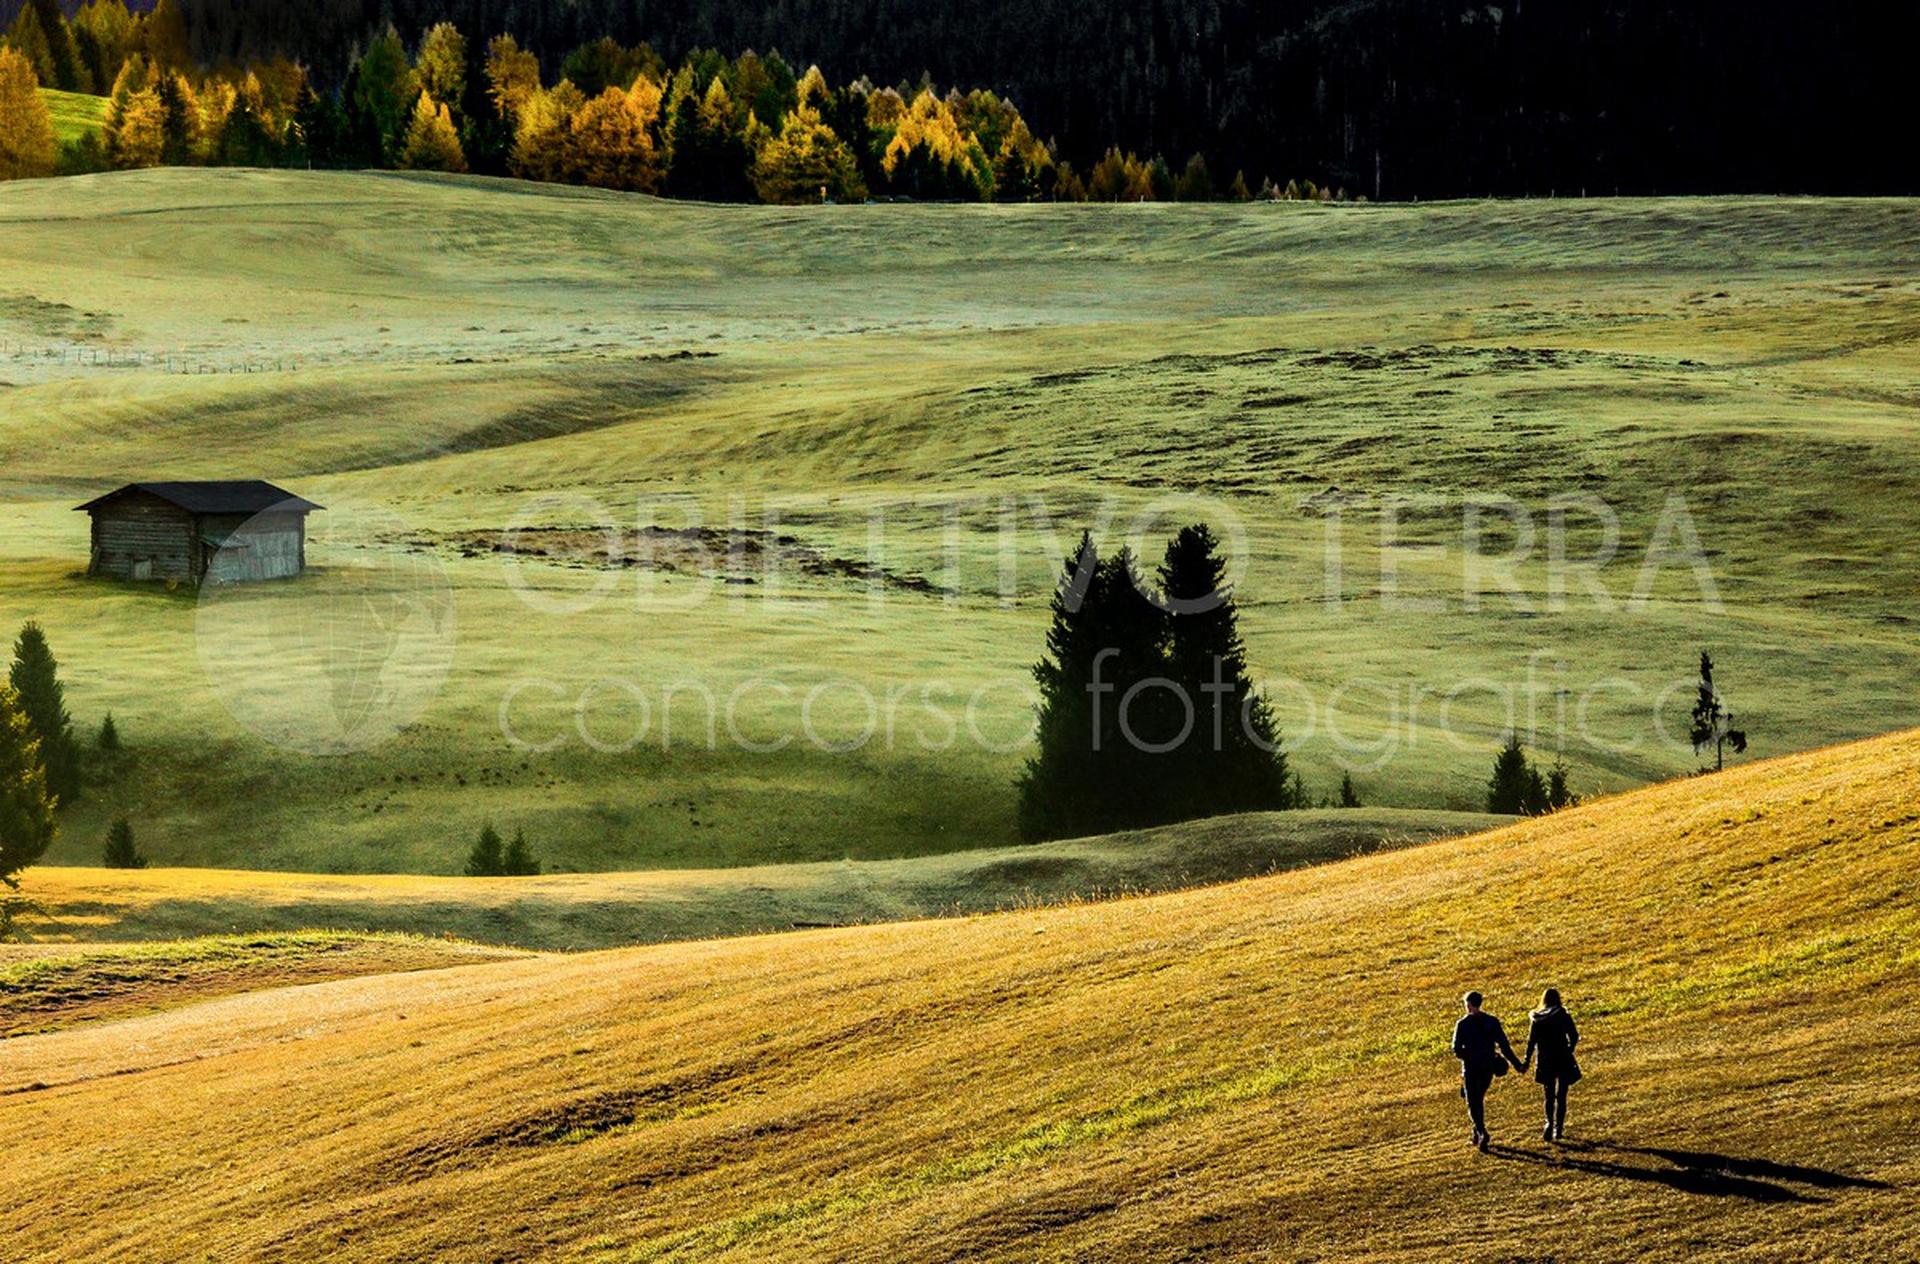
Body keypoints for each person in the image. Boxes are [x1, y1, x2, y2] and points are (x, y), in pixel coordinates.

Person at [1452, 991, 1523, 1151]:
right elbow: (1504, 1046)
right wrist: (1517, 1064)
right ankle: (1476, 1134)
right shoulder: (1492, 1021)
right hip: (1488, 1067)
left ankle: (1482, 1132)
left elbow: (1456, 1049)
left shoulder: (1462, 1024)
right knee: (1478, 1098)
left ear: (1469, 1004)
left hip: (1471, 1068)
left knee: (1472, 1102)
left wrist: (1469, 1056)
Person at [1522, 987, 1581, 1142]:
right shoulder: (1563, 1015)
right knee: (1562, 1095)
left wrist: (1527, 1060)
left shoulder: (1537, 1018)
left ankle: (1548, 1122)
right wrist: (1570, 1049)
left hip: (1545, 1058)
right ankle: (1558, 1128)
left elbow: (1531, 1041)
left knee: (1548, 1094)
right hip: (1562, 1056)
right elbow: (1574, 1035)